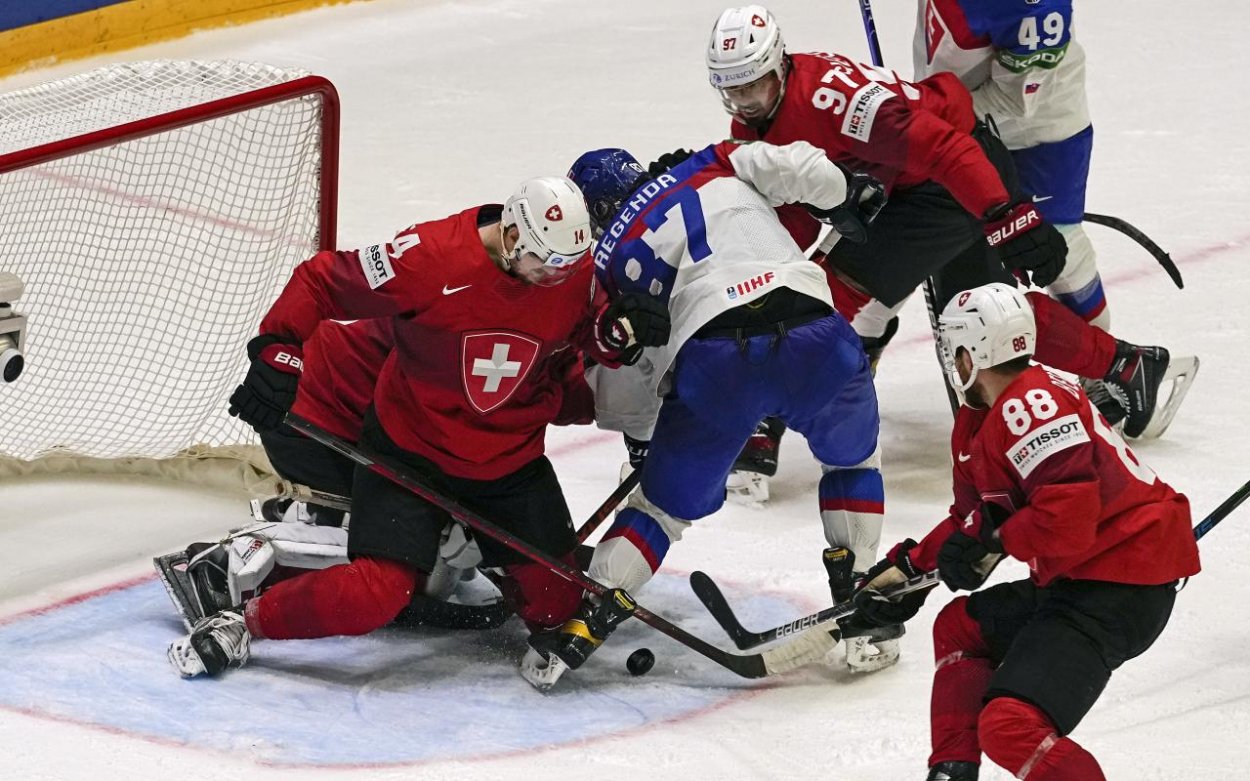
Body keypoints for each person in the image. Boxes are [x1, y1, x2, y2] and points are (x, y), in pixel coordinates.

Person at [167, 175, 671, 679]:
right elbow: (323, 280)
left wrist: (614, 335)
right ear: (514, 236)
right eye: (547, 263)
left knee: (558, 608)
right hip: (410, 450)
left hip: (508, 462)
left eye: (570, 264)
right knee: (376, 594)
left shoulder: (570, 270)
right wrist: (278, 349)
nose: (559, 276)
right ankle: (244, 617)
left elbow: (582, 334)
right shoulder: (432, 256)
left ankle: (474, 549)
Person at [705, 6, 1182, 443]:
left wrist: (1004, 214)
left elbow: (946, 148)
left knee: (830, 293)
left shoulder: (837, 103)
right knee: (985, 315)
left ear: (779, 65)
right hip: (918, 185)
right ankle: (1127, 364)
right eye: (732, 91)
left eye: (753, 87)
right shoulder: (753, 125)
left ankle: (767, 419)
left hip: (949, 181)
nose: (744, 102)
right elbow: (792, 210)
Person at [519, 139, 895, 691]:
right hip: (816, 337)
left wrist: (646, 446)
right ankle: (863, 604)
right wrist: (841, 194)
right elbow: (793, 165)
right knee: (853, 462)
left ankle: (580, 628)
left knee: (659, 509)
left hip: (716, 367)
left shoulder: (604, 269)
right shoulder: (708, 163)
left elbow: (626, 385)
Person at [851, 282, 1200, 781]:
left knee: (1010, 727)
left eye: (954, 347)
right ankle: (951, 772)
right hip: (1087, 577)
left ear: (971, 352)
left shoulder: (1033, 404)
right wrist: (908, 571)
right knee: (959, 627)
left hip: (1120, 586)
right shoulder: (986, 415)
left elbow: (1067, 521)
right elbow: (973, 519)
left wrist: (994, 542)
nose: (950, 358)